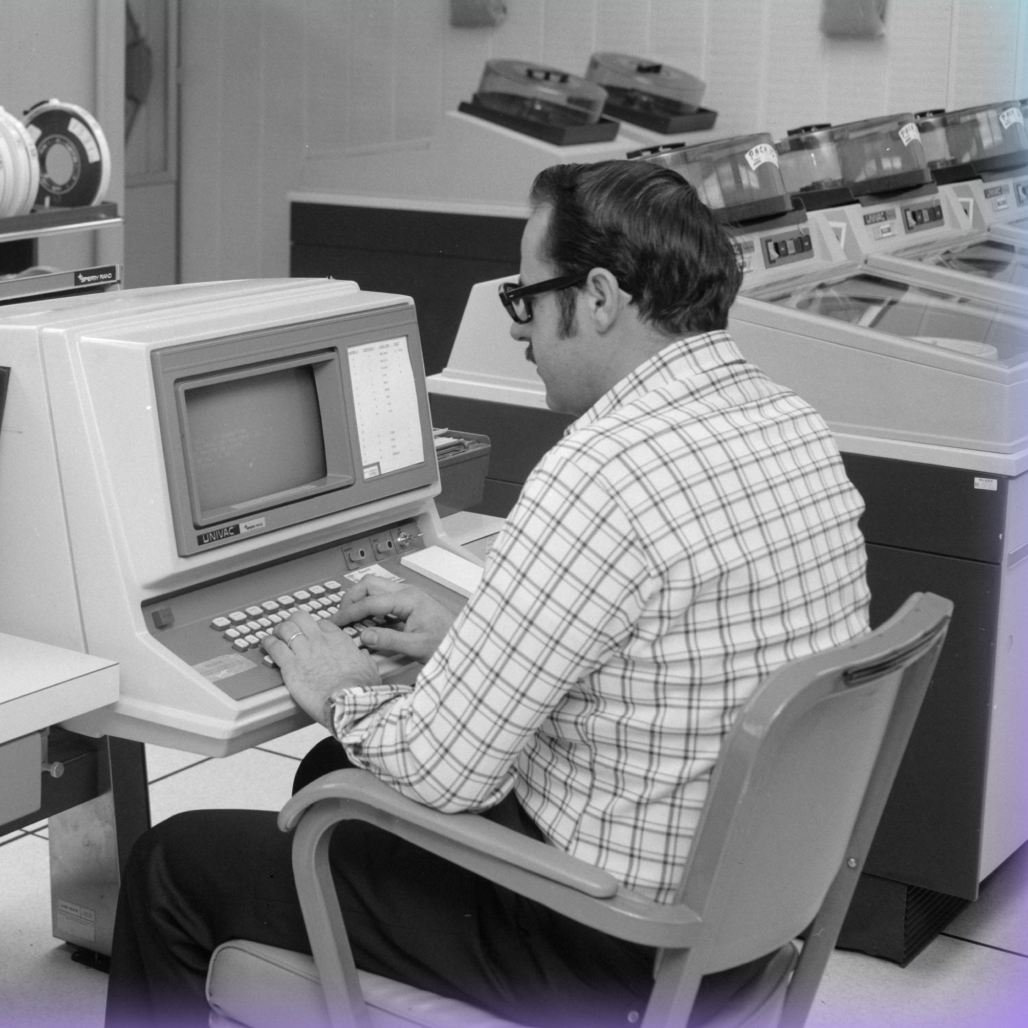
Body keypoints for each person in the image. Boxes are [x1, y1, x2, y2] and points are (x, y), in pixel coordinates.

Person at [104, 159, 872, 1028]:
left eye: (528, 299)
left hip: (604, 942)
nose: (522, 329)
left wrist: (338, 690)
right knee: (332, 777)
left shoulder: (603, 470)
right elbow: (673, 648)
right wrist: (475, 638)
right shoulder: (788, 423)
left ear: (600, 296)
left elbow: (442, 767)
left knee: (172, 863)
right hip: (744, 919)